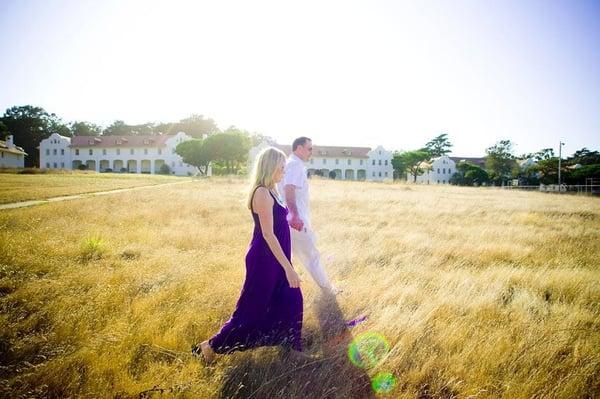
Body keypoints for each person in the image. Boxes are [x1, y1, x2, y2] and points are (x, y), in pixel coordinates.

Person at [193, 147, 303, 363]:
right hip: (264, 259)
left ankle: (291, 349)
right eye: (281, 168)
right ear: (270, 167)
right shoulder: (262, 192)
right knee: (252, 309)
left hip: (276, 257)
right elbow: (269, 235)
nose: (283, 172)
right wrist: (288, 268)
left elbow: (278, 226)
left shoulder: (273, 191)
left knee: (290, 298)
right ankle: (209, 347)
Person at [279, 137, 338, 294]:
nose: (312, 152)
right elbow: (289, 188)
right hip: (295, 219)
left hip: (289, 217)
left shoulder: (290, 164)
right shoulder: (295, 165)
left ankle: (281, 291)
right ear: (299, 148)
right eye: (309, 148)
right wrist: (294, 215)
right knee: (311, 255)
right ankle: (328, 290)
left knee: (287, 255)